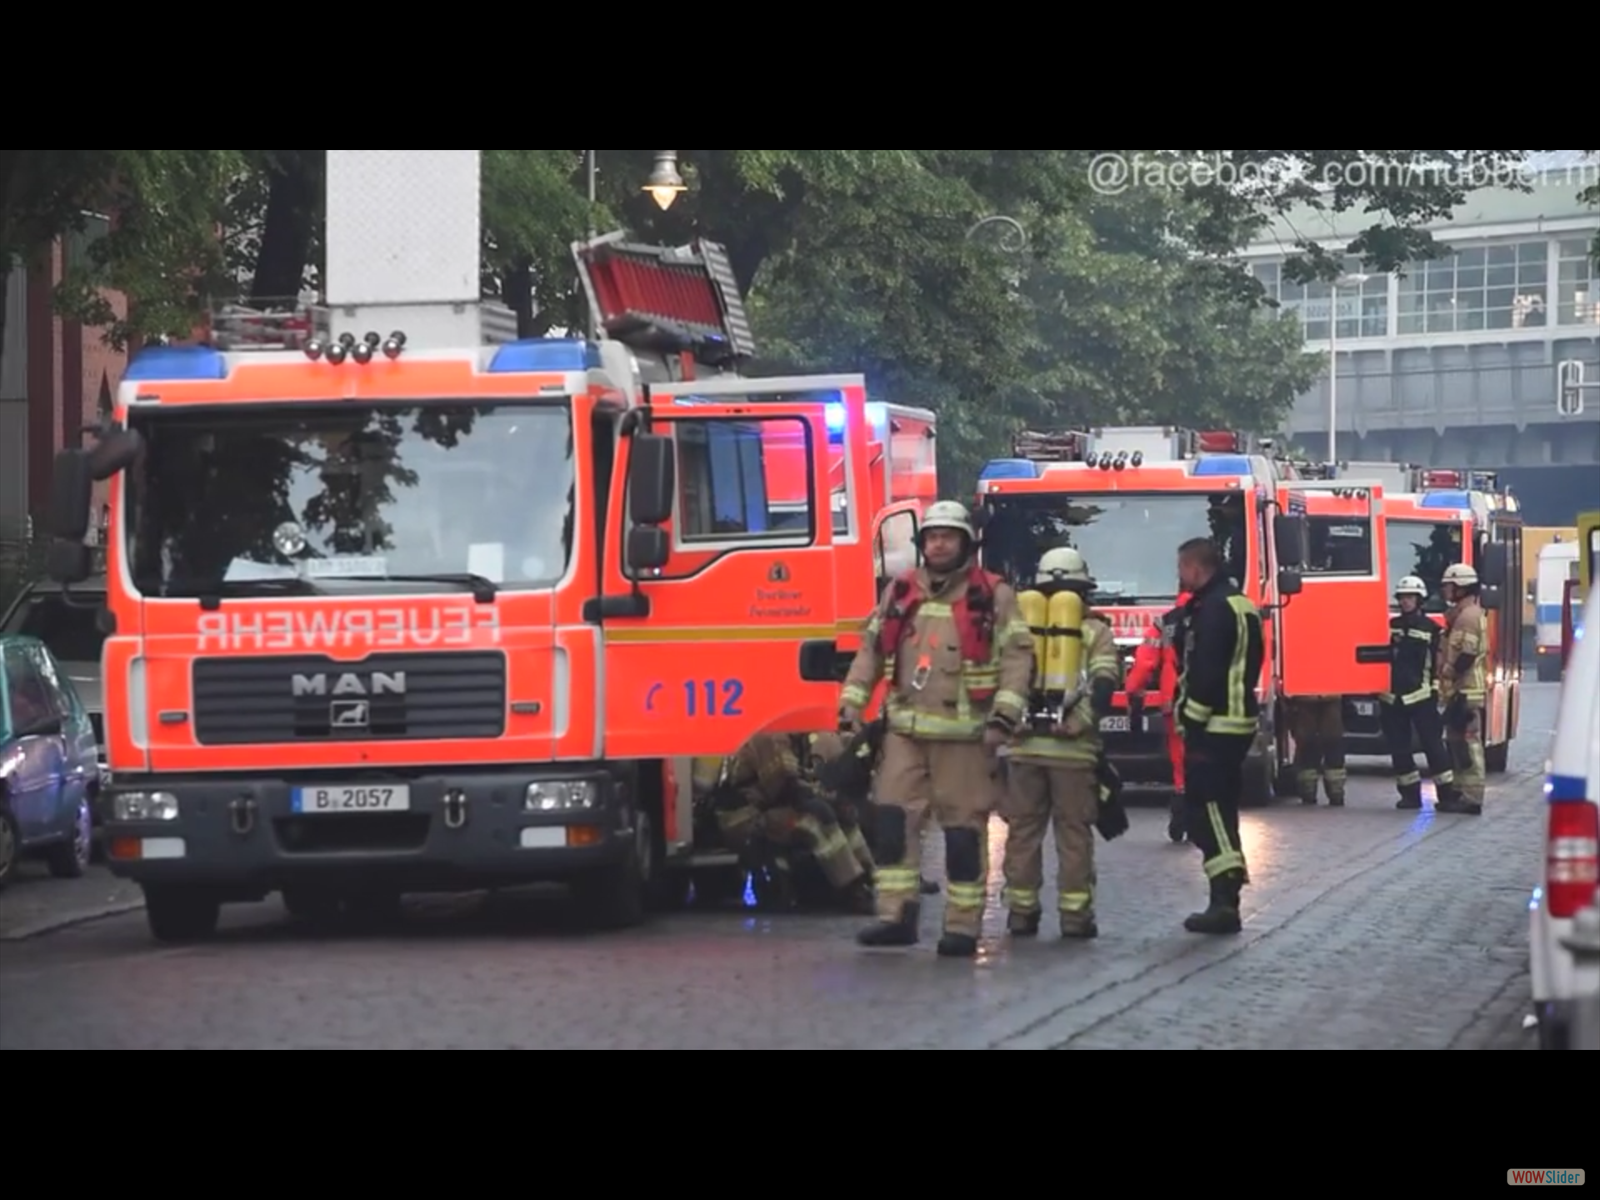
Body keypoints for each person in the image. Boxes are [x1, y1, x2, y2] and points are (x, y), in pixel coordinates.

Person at [839, 500, 1033, 957]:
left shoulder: (993, 595)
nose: (939, 543)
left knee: (963, 833)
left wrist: (1004, 717)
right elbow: (869, 650)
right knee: (890, 821)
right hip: (904, 732)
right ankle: (895, 916)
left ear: (966, 543)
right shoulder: (901, 591)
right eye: (931, 536)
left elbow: (1017, 658)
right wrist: (851, 703)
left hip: (965, 736)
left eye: (948, 536)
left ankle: (962, 926)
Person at [1001, 547, 1123, 939]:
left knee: (1023, 833)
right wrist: (1081, 720)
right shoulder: (1095, 631)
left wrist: (1011, 722)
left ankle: (1021, 912)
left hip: (1024, 750)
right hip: (1073, 752)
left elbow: (1002, 677)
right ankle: (1075, 916)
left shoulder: (1020, 628)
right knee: (1073, 835)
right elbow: (1105, 682)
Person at [1174, 537, 1263, 935]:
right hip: (1239, 721)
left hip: (1214, 726)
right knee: (1221, 807)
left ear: (1196, 567)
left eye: (1182, 568)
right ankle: (1226, 892)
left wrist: (1190, 721)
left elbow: (1206, 671)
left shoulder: (1210, 610)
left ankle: (1225, 897)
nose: (1180, 576)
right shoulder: (1242, 604)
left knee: (1206, 810)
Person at [711, 734, 875, 912]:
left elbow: (802, 783)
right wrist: (822, 799)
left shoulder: (796, 738)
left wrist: (832, 801)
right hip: (743, 818)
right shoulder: (768, 738)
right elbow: (785, 788)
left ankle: (869, 877)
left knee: (843, 817)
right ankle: (851, 889)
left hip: (770, 808)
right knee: (811, 822)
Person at [1380, 575, 1461, 810]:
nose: (1406, 602)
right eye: (1403, 597)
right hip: (1392, 697)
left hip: (1422, 695)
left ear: (1420, 600)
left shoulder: (1432, 629)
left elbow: (1440, 659)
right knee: (1399, 748)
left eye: (1410, 597)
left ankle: (1446, 795)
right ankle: (1409, 795)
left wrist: (1439, 688)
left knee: (1433, 746)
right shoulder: (1390, 626)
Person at [1125, 591, 1192, 842]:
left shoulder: (1166, 624)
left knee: (1180, 763)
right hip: (1212, 703)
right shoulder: (1217, 617)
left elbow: (1144, 664)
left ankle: (1181, 812)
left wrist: (1132, 691)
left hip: (1175, 704)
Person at [1436, 562, 1488, 815]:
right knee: (1456, 742)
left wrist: (1448, 672)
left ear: (1461, 587)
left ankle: (1472, 796)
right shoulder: (1460, 614)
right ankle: (1459, 793)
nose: (1445, 591)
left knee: (1468, 744)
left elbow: (1466, 655)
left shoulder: (1468, 617)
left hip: (1466, 691)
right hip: (1459, 691)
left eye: (1449, 586)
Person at [1287, 694, 1347, 806]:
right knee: (1331, 744)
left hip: (1304, 696)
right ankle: (1335, 792)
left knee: (1310, 744)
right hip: (1330, 694)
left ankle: (1309, 791)